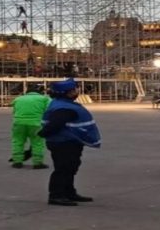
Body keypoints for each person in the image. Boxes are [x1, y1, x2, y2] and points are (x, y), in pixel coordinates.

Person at [38, 78, 101, 206]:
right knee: (63, 169)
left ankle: (69, 192)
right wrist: (43, 134)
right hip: (63, 143)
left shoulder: (63, 104)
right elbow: (55, 125)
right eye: (74, 89)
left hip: (69, 142)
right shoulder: (64, 108)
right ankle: (56, 195)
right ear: (67, 92)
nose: (77, 91)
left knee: (71, 167)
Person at [10, 84, 50, 169]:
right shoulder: (44, 99)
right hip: (36, 124)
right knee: (37, 142)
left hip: (19, 123)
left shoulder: (18, 99)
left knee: (18, 141)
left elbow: (14, 111)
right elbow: (49, 110)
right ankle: (37, 163)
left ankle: (17, 162)